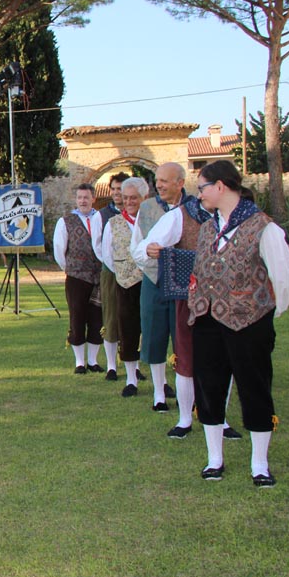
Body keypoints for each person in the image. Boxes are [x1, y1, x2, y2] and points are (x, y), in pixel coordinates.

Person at [188, 161, 289, 486]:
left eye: (202, 187)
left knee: (254, 388)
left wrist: (266, 313)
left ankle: (259, 464)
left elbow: (282, 276)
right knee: (209, 387)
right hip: (207, 320)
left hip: (250, 322)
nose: (199, 194)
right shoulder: (207, 228)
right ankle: (214, 459)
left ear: (220, 186)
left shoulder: (264, 227)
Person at [137, 177, 242, 440]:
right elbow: (141, 248)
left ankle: (221, 418)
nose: (201, 192)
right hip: (190, 298)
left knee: (224, 359)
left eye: (205, 187)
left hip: (226, 299)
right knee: (186, 359)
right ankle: (185, 419)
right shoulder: (179, 216)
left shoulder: (236, 217)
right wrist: (150, 249)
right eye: (201, 188)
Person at [130, 163, 186, 412]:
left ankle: (187, 393)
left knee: (184, 338)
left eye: (164, 180)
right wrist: (148, 260)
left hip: (185, 284)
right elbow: (137, 246)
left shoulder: (193, 208)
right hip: (154, 280)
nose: (159, 185)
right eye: (157, 180)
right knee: (154, 336)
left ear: (180, 183)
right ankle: (159, 392)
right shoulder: (147, 208)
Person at [53, 184, 104, 374]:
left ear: (93, 199)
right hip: (76, 277)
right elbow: (59, 250)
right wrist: (71, 269)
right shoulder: (65, 221)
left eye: (86, 197)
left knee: (97, 318)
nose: (83, 201)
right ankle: (79, 362)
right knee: (77, 317)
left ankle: (93, 361)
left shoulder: (100, 218)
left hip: (98, 276)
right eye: (80, 197)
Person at [105, 178, 149, 398]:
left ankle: (161, 380)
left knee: (154, 330)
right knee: (128, 329)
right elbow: (107, 254)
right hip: (126, 283)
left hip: (151, 282)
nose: (129, 202)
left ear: (144, 198)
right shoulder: (113, 223)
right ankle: (131, 378)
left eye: (134, 198)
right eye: (126, 198)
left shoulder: (154, 221)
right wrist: (124, 270)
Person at [98, 172, 129, 380]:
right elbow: (98, 246)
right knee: (110, 317)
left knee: (132, 318)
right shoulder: (102, 215)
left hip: (134, 274)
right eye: (115, 189)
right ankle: (111, 366)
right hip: (111, 271)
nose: (117, 193)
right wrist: (115, 267)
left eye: (121, 189)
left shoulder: (138, 214)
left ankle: (133, 364)